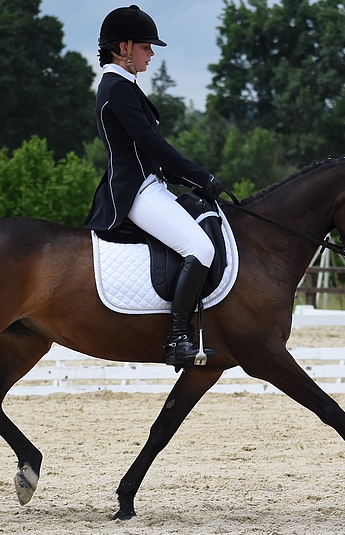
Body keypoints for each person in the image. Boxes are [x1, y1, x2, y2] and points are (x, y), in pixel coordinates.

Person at [86, 5, 224, 366]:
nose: (151, 54)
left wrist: (187, 180)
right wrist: (201, 177)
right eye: (147, 47)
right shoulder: (116, 89)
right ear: (124, 47)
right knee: (201, 248)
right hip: (135, 192)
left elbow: (150, 154)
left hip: (150, 184)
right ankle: (178, 338)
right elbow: (153, 147)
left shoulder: (124, 87)